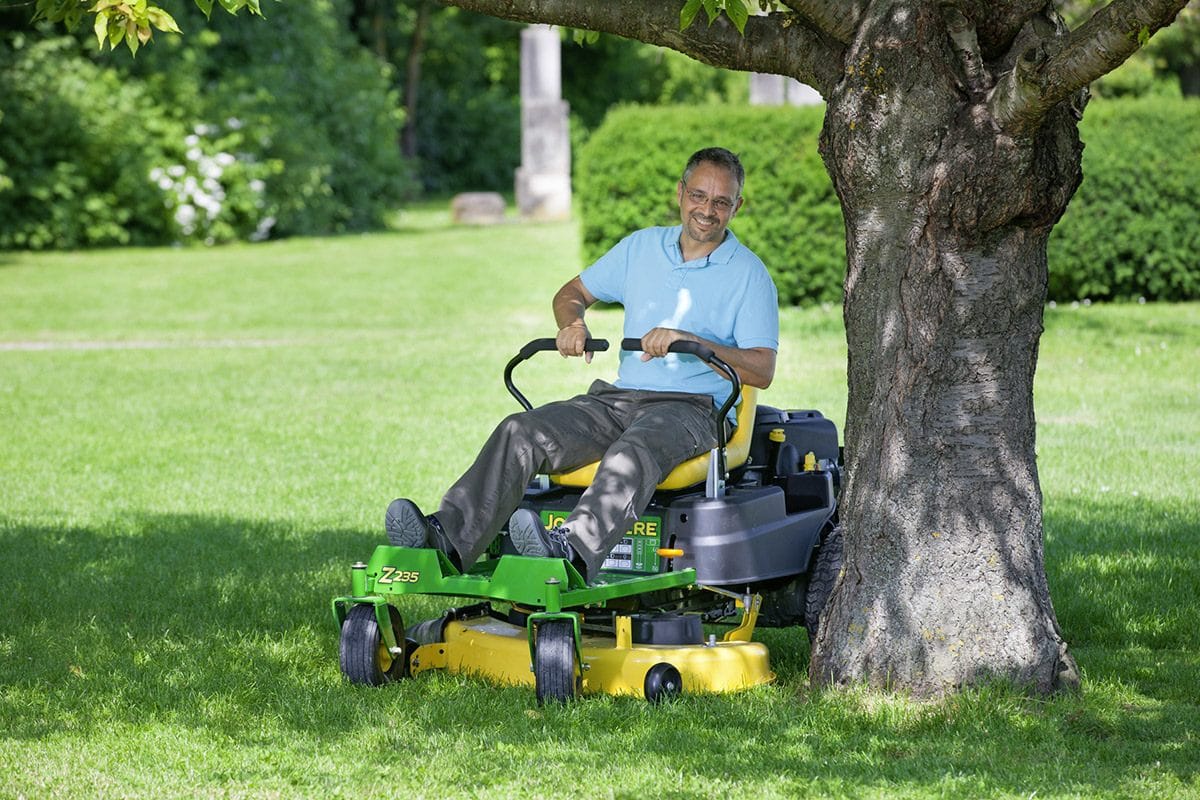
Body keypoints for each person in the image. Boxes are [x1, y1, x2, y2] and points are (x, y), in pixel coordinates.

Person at [386, 147, 779, 583]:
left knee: (634, 450)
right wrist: (572, 322)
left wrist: (693, 342)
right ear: (680, 192)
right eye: (699, 196)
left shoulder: (749, 275)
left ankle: (569, 551)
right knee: (521, 430)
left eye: (721, 202)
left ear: (736, 207)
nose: (707, 210)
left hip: (694, 409)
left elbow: (762, 369)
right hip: (617, 401)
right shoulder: (640, 248)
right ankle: (446, 541)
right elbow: (571, 292)